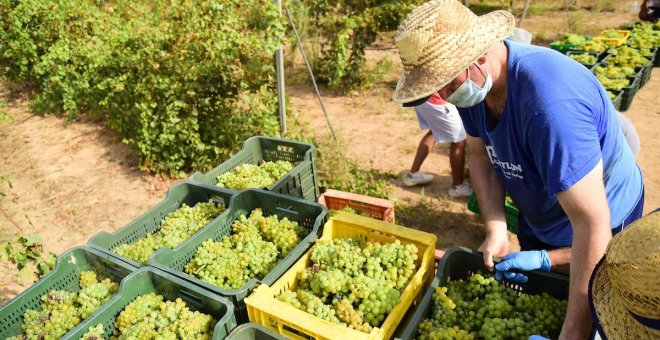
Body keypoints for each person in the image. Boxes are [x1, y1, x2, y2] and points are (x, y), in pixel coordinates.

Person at [392, 1, 645, 339]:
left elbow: (592, 224)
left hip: (604, 222)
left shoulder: (550, 105)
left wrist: (571, 335)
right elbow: (481, 156)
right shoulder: (475, 91)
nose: (443, 96)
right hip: (547, 215)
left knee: (594, 316)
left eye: (446, 83)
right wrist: (496, 227)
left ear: (479, 54)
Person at [402, 93, 473, 198]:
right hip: (437, 101)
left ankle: (413, 175)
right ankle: (458, 187)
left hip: (422, 97)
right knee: (459, 141)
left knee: (435, 130)